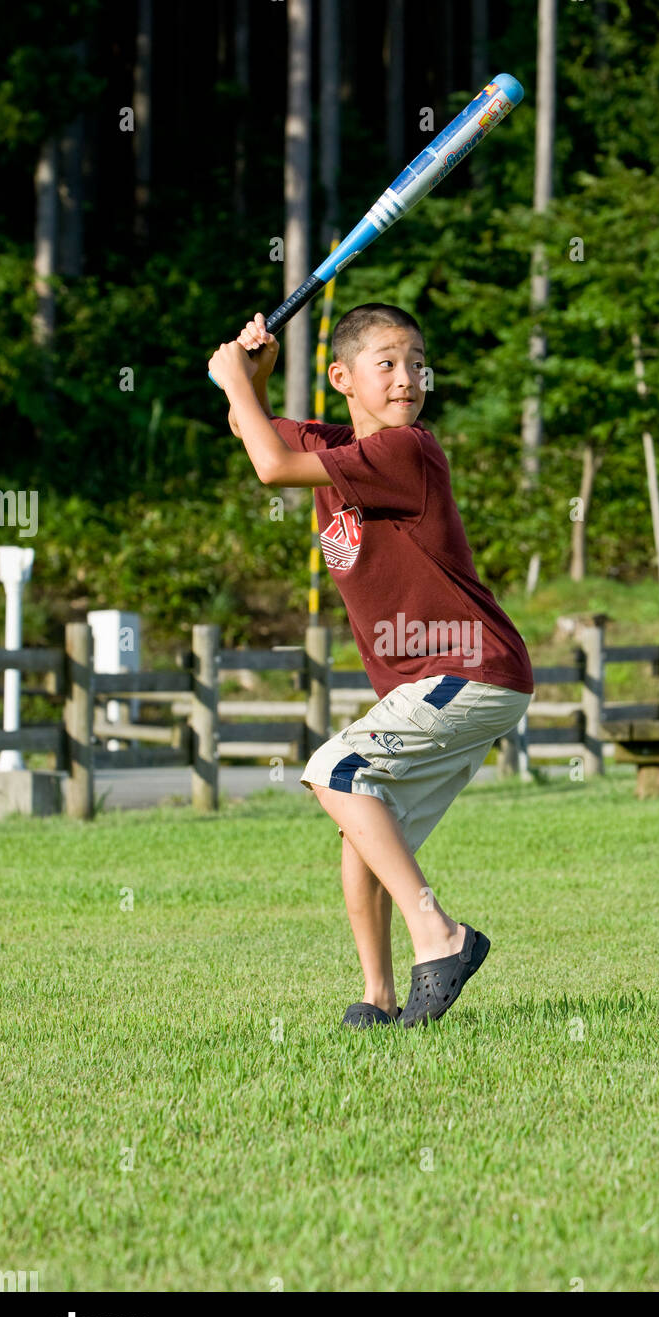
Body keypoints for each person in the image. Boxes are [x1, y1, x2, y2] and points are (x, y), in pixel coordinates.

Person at [208, 303, 533, 1029]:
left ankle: (440, 938)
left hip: (470, 667)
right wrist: (251, 382)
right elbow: (249, 430)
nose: (407, 378)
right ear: (341, 378)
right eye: (386, 363)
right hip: (440, 682)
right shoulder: (336, 446)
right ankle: (379, 999)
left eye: (417, 363)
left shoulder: (404, 451)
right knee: (364, 828)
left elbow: (268, 466)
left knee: (333, 771)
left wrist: (231, 377)